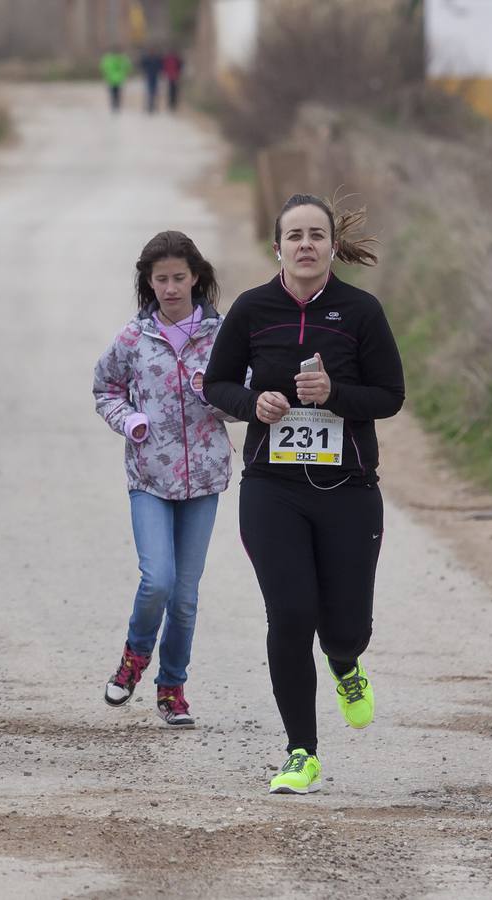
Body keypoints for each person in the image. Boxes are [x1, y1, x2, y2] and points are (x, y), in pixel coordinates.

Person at [204, 193, 404, 794]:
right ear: (278, 248)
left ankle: (345, 661)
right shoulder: (252, 309)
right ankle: (301, 751)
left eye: (317, 235)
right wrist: (251, 404)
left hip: (348, 488)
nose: (307, 245)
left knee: (345, 626)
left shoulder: (361, 311)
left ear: (332, 246)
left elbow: (390, 396)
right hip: (273, 487)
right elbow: (216, 383)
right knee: (290, 614)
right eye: (295, 236)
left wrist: (333, 394)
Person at [93, 231, 235, 727]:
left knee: (186, 596)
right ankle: (134, 659)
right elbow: (104, 389)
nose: (171, 288)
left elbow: (247, 396)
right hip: (149, 477)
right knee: (158, 580)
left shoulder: (224, 336)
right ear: (148, 283)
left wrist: (216, 397)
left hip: (205, 480)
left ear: (196, 277)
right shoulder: (133, 339)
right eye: (161, 279)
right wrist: (128, 420)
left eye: (179, 277)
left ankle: (172, 688)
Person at [100, 47, 133, 113]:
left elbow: (103, 67)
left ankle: (114, 105)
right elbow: (128, 67)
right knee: (118, 93)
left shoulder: (108, 59)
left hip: (110, 79)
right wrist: (126, 74)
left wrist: (105, 74)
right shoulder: (123, 58)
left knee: (112, 93)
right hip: (120, 79)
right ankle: (117, 105)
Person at [139, 47, 163, 114]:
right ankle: (149, 106)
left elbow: (160, 66)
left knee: (154, 92)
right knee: (149, 92)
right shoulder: (147, 58)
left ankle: (154, 106)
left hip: (155, 77)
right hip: (148, 77)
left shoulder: (157, 59)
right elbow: (142, 65)